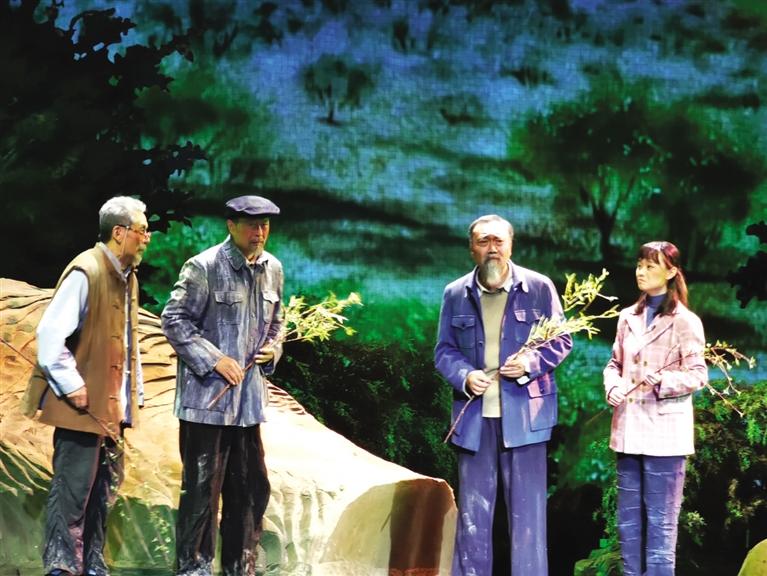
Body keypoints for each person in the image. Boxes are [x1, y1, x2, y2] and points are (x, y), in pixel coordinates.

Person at [434, 214, 572, 575]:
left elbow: (561, 340)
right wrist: (465, 376)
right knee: (473, 520)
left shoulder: (539, 287)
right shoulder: (455, 293)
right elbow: (444, 351)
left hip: (526, 421)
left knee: (529, 522)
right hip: (474, 422)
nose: (492, 248)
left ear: (511, 246)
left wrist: (529, 363)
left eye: (498, 241)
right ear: (472, 249)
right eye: (484, 241)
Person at [23, 196, 151, 576]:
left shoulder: (127, 277)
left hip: (111, 410)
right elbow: (50, 335)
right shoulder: (87, 271)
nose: (147, 238)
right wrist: (73, 386)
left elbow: (127, 342)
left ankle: (93, 565)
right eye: (142, 231)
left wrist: (133, 395)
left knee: (103, 493)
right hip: (81, 408)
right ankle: (61, 567)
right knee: (72, 491)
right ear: (119, 232)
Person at [161, 195, 284, 576]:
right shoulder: (204, 266)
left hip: (248, 407)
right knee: (201, 494)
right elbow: (174, 319)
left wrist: (273, 349)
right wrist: (214, 359)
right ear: (231, 225)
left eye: (265, 225)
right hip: (207, 406)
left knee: (250, 491)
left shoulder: (273, 268)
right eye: (252, 225)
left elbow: (277, 322)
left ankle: (240, 567)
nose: (259, 232)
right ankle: (193, 570)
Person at [603, 241, 707, 576]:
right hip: (628, 431)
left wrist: (664, 380)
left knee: (661, 527)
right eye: (639, 265)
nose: (641, 272)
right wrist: (613, 386)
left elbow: (698, 375)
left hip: (664, 437)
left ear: (671, 271)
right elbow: (614, 364)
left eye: (651, 266)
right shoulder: (626, 317)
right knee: (628, 525)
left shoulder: (685, 321)